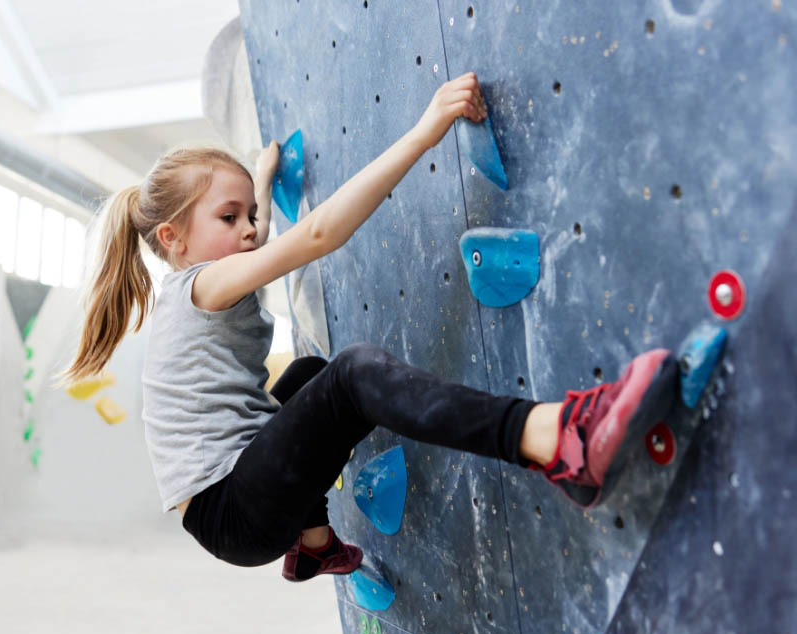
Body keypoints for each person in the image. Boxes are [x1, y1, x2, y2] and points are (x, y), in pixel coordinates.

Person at [57, 72, 678, 582]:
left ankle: (314, 539)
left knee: (308, 374)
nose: (250, 228)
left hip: (234, 498)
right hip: (234, 510)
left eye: (250, 212)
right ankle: (555, 439)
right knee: (351, 376)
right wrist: (424, 131)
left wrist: (262, 175)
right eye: (231, 216)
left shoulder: (210, 268)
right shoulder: (204, 284)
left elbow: (264, 234)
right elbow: (318, 234)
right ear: (172, 239)